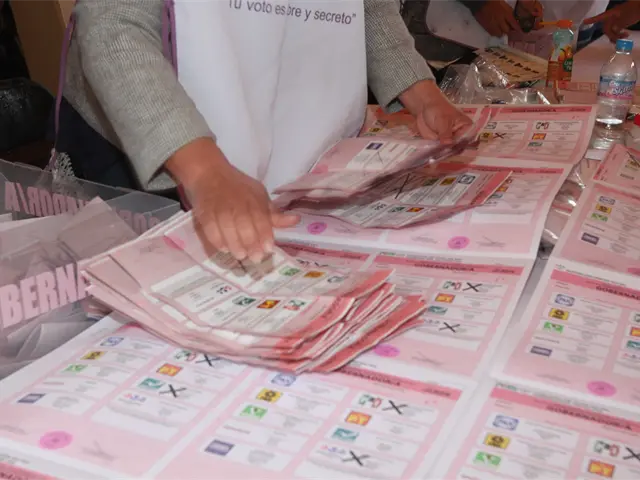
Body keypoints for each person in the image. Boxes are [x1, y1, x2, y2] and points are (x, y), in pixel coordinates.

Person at [57, 0, 472, 264]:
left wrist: (421, 93)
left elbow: (367, 7)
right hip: (141, 134)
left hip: (278, 114)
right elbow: (114, 29)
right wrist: (205, 172)